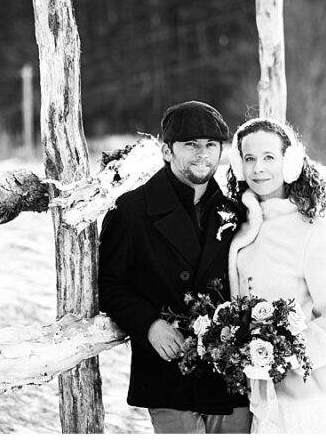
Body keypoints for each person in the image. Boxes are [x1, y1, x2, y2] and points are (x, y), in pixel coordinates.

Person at [97, 101, 252, 434]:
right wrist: (149, 324)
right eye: (191, 144)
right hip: (169, 373)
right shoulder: (132, 210)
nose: (203, 153)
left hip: (229, 378)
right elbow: (109, 285)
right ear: (167, 150)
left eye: (211, 145)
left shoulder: (234, 213)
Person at [226, 117, 326, 433]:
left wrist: (286, 354)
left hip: (310, 400)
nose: (258, 168)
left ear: (289, 163)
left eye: (268, 157)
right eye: (249, 158)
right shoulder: (240, 229)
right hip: (259, 398)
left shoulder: (314, 233)